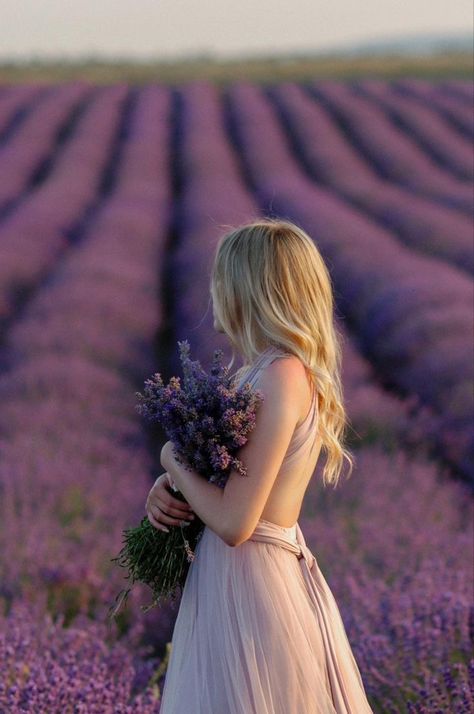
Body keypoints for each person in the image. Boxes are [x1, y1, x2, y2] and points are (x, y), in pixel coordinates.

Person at [146, 218, 374, 713]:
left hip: (251, 585)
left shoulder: (281, 375)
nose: (213, 293)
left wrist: (170, 457)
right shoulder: (260, 373)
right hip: (236, 579)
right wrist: (172, 487)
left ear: (249, 290)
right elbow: (229, 491)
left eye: (220, 280)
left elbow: (235, 522)